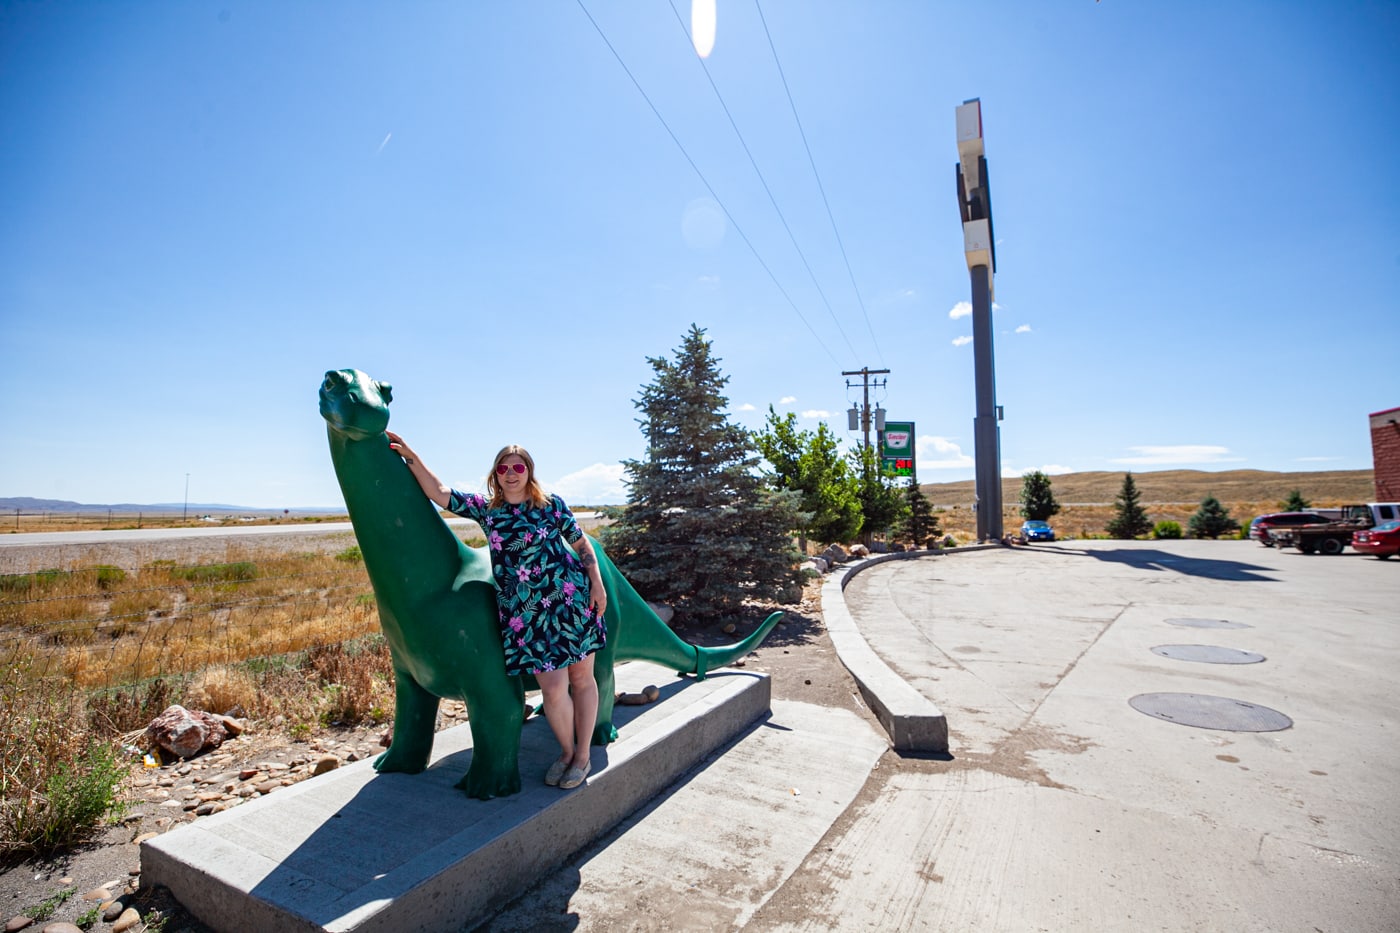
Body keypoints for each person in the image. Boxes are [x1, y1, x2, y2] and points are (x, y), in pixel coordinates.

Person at [386, 432, 607, 790]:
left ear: (529, 472)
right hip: (528, 614)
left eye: (518, 466)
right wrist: (410, 456)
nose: (511, 472)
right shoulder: (489, 512)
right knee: (552, 688)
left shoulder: (551, 505)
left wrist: (596, 583)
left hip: (571, 603)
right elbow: (440, 493)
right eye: (503, 467)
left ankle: (583, 757)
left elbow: (582, 545)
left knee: (582, 680)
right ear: (496, 474)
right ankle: (566, 752)